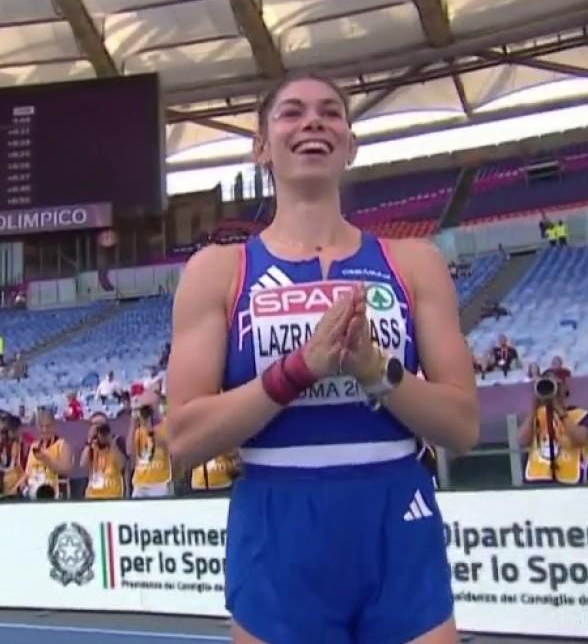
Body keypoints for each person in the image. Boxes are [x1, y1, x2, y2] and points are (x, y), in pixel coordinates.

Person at [164, 74, 478, 644]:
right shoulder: (219, 270)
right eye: (291, 113)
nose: (313, 122)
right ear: (261, 146)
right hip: (278, 524)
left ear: (350, 144)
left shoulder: (414, 262)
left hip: (397, 516)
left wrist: (373, 370)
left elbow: (462, 427)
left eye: (331, 112)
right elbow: (184, 441)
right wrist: (300, 368)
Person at [517, 373, 588, 485]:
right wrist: (533, 409)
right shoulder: (537, 414)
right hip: (537, 477)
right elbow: (522, 441)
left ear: (564, 387)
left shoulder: (580, 414)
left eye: (556, 385)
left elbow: (580, 439)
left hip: (569, 478)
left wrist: (559, 410)